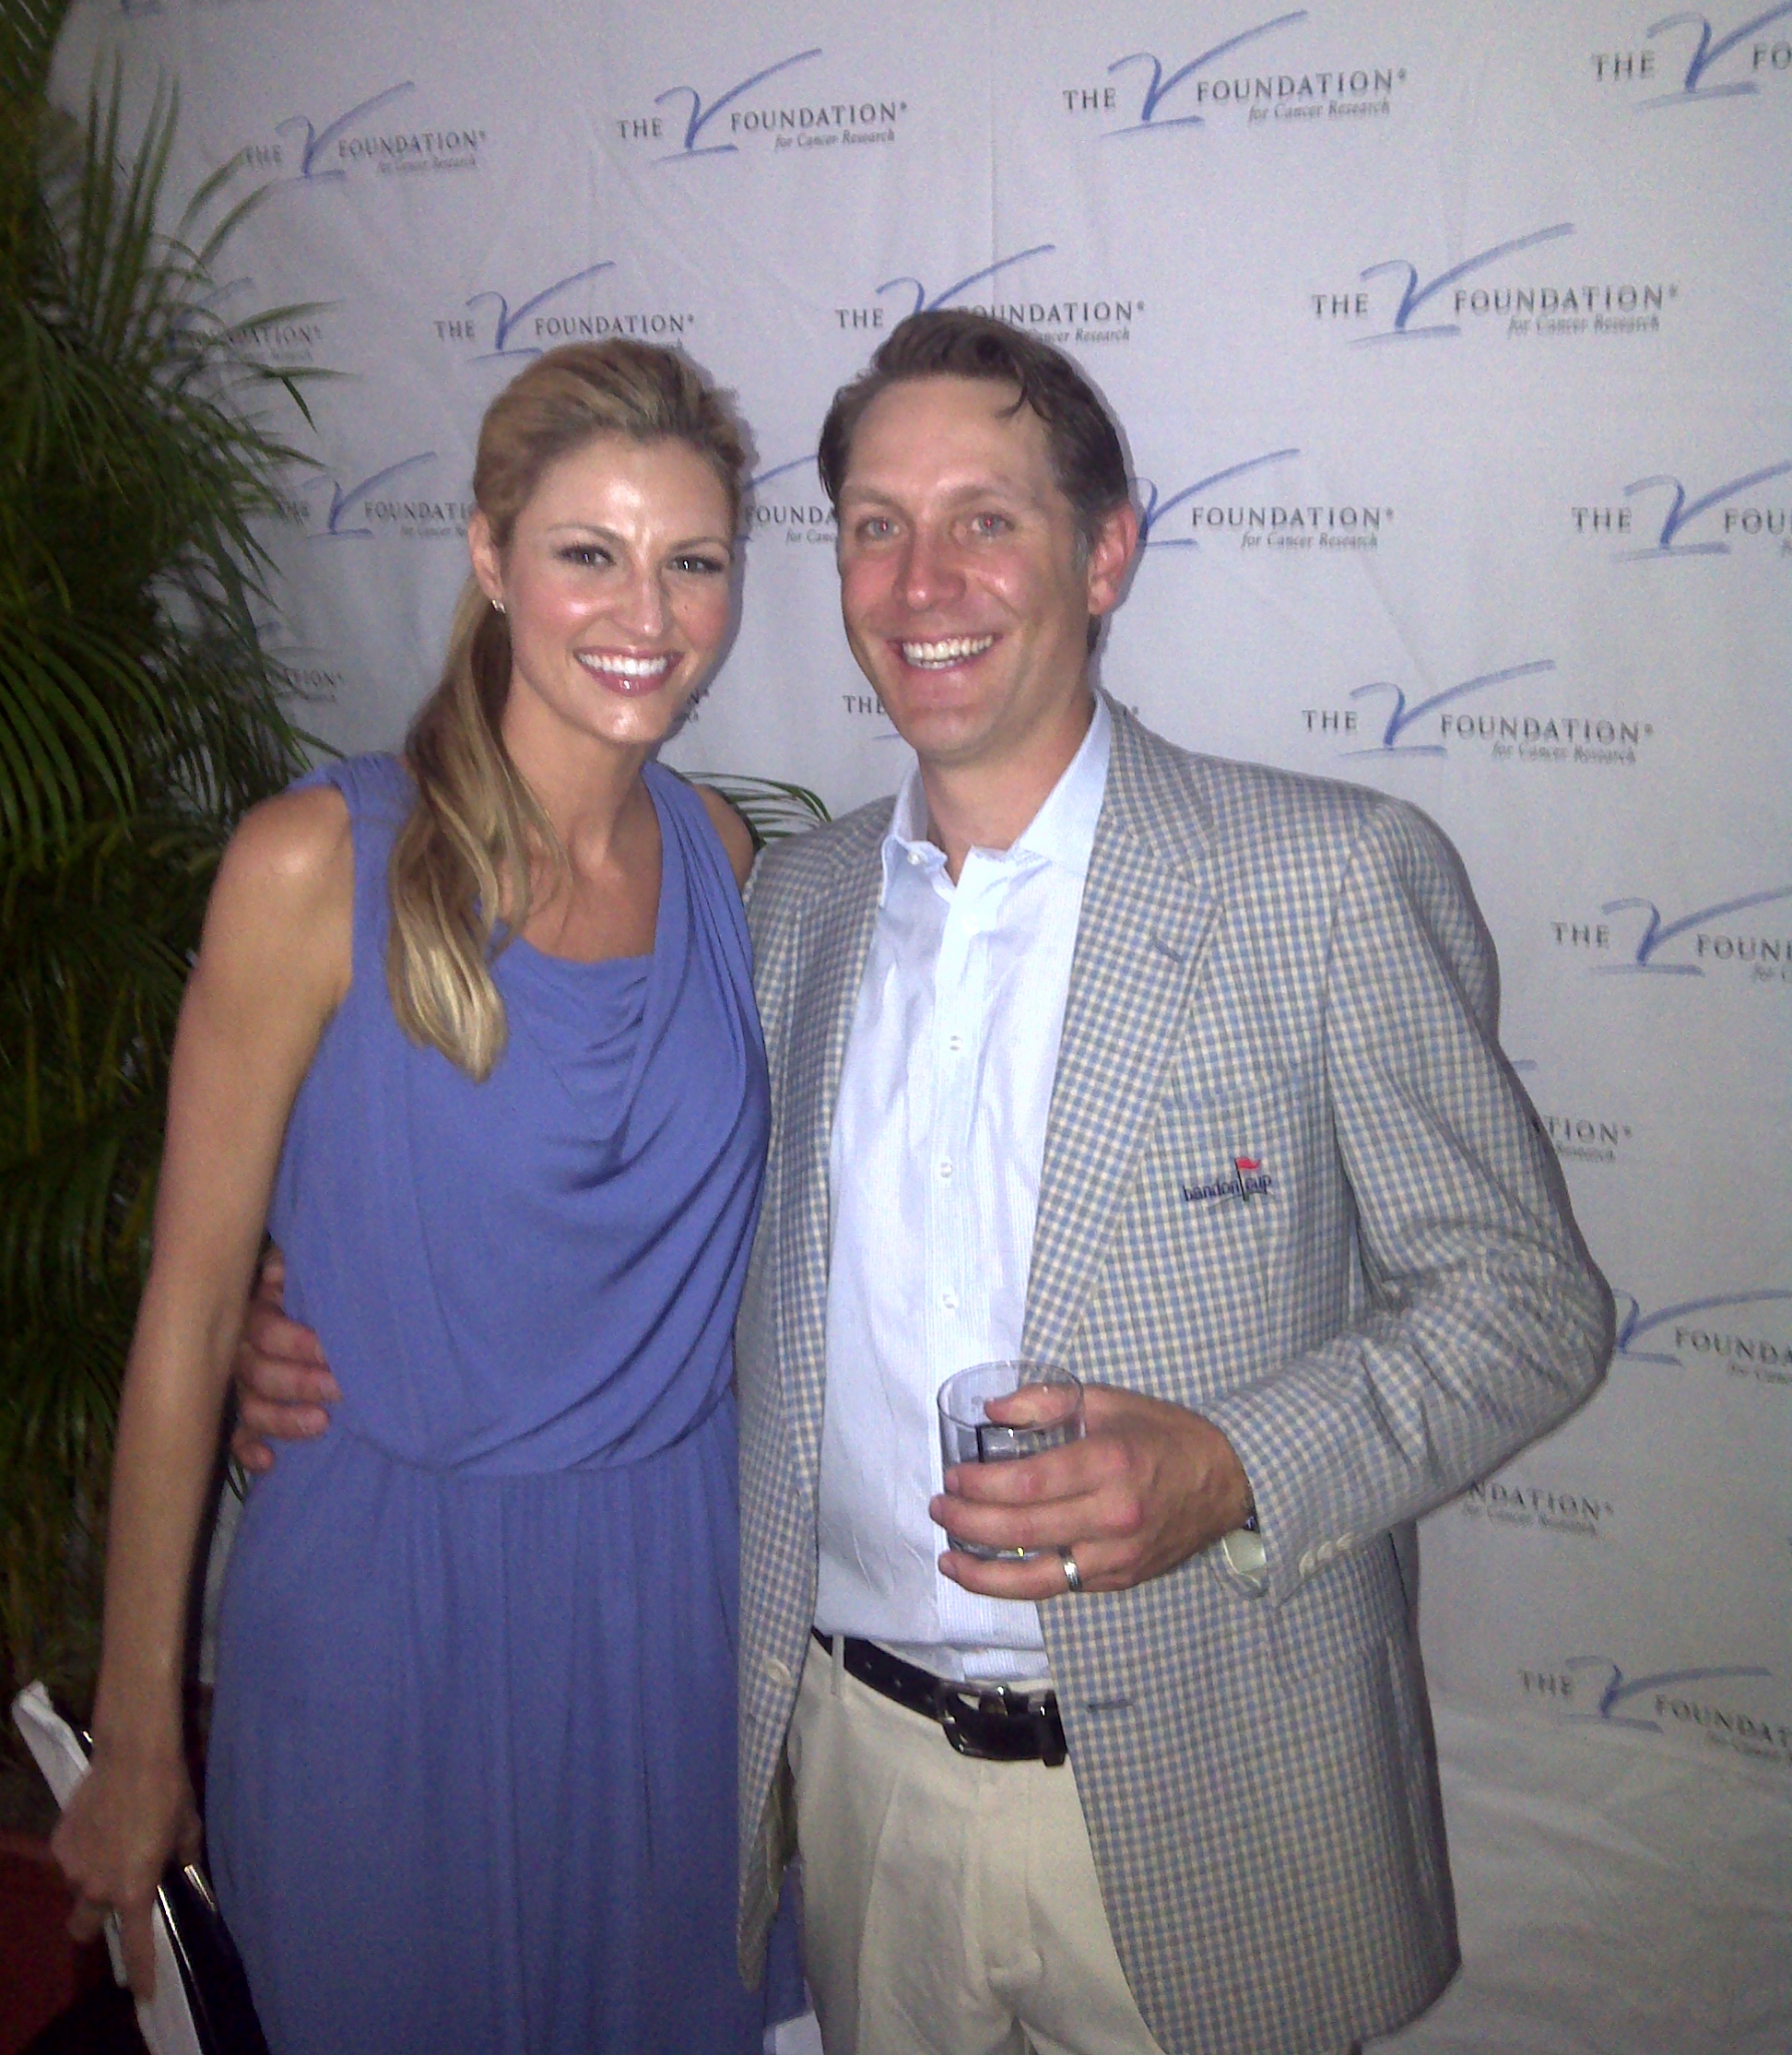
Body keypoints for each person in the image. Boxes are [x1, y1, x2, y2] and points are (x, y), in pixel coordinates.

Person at [239, 313, 1616, 2055]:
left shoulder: (1322, 882)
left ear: (1104, 554)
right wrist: (309, 1319)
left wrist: (1229, 1469)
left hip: (1207, 1809)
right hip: (860, 1795)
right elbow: (613, 1223)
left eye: (986, 519)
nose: (921, 581)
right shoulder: (784, 907)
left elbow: (1528, 1304)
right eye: (875, 526)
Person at [53, 340, 777, 2055]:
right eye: (589, 552)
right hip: (390, 1612)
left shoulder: (724, 855)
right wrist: (140, 1732)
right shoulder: (317, 863)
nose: (648, 614)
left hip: (670, 1608)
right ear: (490, 557)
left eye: (692, 560)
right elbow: (190, 1312)